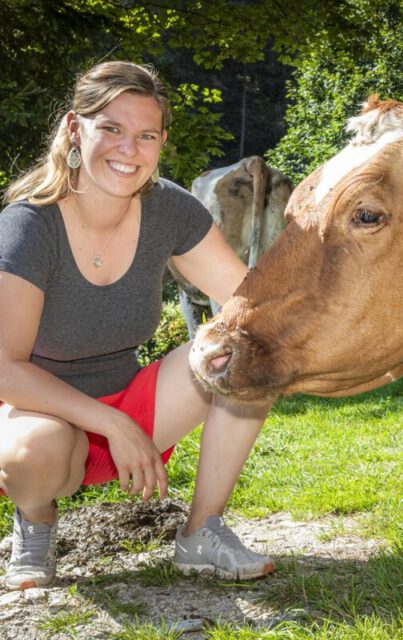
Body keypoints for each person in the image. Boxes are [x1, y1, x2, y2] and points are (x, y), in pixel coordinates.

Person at [0, 60, 275, 590]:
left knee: (246, 352)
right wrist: (112, 425)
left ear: (161, 141)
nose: (129, 149)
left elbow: (251, 305)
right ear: (75, 129)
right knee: (36, 450)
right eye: (111, 128)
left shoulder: (169, 209)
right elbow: (5, 369)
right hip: (36, 418)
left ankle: (201, 532)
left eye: (146, 135)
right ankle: (35, 523)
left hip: (135, 406)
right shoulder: (29, 226)